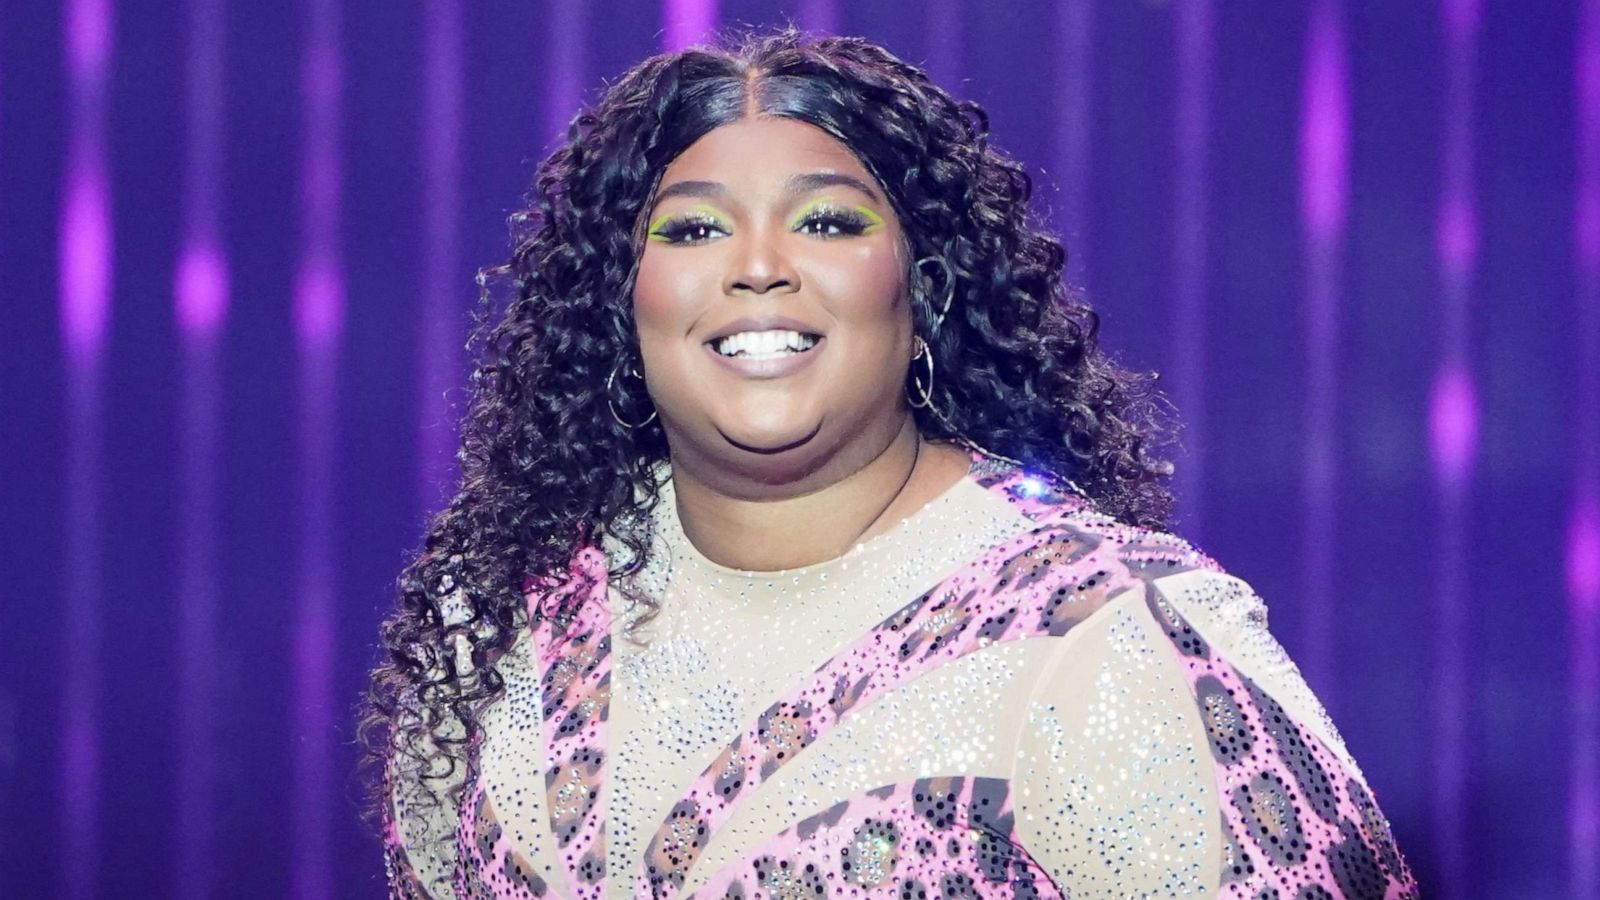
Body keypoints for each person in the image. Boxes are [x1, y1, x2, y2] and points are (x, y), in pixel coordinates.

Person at [360, 27, 1416, 899]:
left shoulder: (1102, 638)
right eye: (690, 231)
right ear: (621, 306)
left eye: (825, 221)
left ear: (924, 295)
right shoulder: (498, 627)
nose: (759, 267)